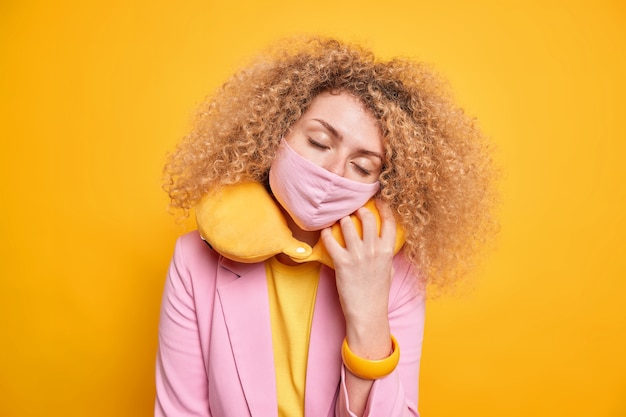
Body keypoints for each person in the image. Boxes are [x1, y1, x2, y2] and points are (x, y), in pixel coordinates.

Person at [155, 36, 496, 417]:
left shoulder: (397, 276)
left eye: (363, 166)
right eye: (319, 142)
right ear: (275, 133)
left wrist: (368, 315)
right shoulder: (193, 261)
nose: (333, 173)